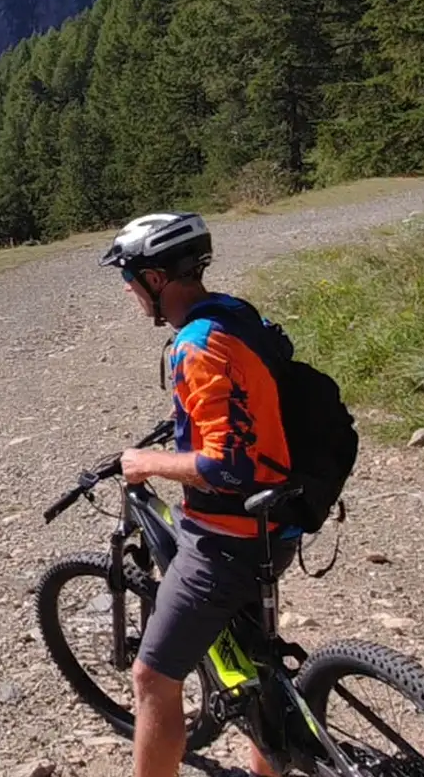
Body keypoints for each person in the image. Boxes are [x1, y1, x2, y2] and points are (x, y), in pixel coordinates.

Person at [99, 212, 299, 777]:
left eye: (130, 278)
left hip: (227, 537)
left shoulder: (196, 345)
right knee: (259, 663)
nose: (128, 290)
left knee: (153, 677)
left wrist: (147, 462)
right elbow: (247, 403)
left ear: (156, 279)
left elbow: (225, 467)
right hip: (276, 519)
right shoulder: (234, 314)